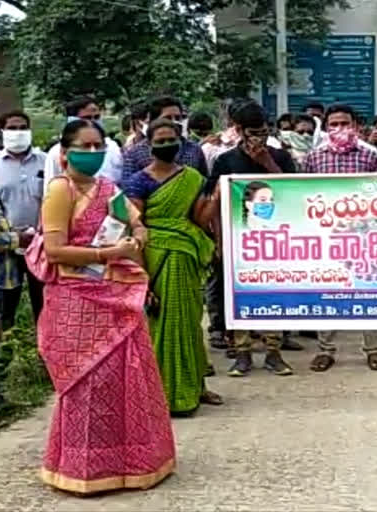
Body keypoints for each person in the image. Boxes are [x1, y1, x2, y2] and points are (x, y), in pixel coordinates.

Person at [37, 119, 175, 494]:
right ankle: (84, 468)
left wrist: (139, 236)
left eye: (99, 146)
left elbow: (135, 219)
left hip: (115, 294)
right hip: (76, 298)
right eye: (86, 146)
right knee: (88, 382)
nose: (94, 153)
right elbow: (54, 249)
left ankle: (133, 461)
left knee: (126, 377)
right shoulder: (60, 190)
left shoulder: (107, 187)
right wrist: (108, 252)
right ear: (65, 152)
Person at [123, 118, 222, 415]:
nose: (167, 145)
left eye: (171, 139)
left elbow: (198, 220)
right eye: (160, 140)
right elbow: (135, 226)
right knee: (161, 325)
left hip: (185, 252)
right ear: (149, 145)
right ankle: (165, 394)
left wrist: (216, 197)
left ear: (181, 142)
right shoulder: (139, 181)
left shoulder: (191, 177)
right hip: (155, 253)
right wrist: (143, 278)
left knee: (189, 322)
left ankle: (194, 386)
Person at [205, 101, 300, 375]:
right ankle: (242, 352)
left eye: (264, 131)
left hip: (274, 240)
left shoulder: (280, 158)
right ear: (239, 130)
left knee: (273, 293)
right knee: (236, 295)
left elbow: (293, 193)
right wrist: (220, 241)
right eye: (253, 132)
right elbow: (216, 205)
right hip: (238, 240)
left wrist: (267, 163)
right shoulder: (225, 161)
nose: (259, 137)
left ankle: (273, 351)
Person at [302, 103, 377, 372]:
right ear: (326, 128)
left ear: (356, 126)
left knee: (369, 293)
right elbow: (305, 195)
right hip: (328, 237)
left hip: (363, 236)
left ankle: (373, 349)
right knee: (327, 292)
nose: (339, 129)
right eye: (334, 124)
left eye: (345, 123)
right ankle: (326, 350)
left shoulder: (369, 156)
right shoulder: (314, 158)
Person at [0, 110, 45, 329]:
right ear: (2, 132)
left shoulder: (46, 161)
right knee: (5, 304)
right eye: (13, 128)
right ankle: (6, 348)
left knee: (42, 302)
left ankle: (44, 352)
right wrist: (13, 236)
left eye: (23, 128)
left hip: (41, 245)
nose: (19, 132)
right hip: (5, 247)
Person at [121, 95, 208, 183]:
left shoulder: (194, 149)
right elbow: (129, 188)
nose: (174, 122)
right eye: (168, 118)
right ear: (153, 121)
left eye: (178, 118)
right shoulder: (135, 154)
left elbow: (204, 183)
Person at [45, 96, 124, 190]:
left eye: (97, 117)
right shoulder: (57, 152)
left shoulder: (112, 147)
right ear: (72, 120)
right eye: (87, 118)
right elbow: (49, 189)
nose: (93, 122)